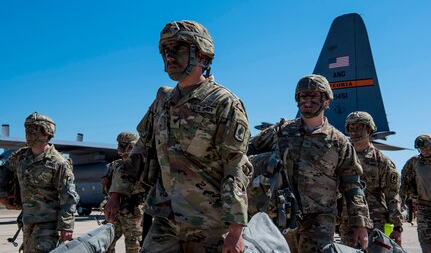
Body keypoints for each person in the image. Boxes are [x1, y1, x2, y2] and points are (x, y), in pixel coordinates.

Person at [104, 20, 253, 253]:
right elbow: (141, 150)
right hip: (165, 218)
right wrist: (116, 193)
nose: (170, 57)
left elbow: (235, 166)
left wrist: (236, 230)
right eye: (166, 50)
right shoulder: (162, 101)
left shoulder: (224, 103)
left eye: (179, 49)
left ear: (202, 55)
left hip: (209, 224)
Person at [248, 74, 372, 252]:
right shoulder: (280, 131)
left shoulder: (338, 142)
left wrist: (360, 224)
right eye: (303, 96)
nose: (307, 101)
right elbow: (246, 152)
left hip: (319, 221)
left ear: (326, 101)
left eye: (314, 96)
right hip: (281, 216)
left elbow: (352, 186)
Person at [0, 112, 79, 252]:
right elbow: (3, 170)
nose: (28, 135)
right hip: (27, 223)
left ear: (46, 132)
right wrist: (3, 195)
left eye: (32, 130)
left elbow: (69, 196)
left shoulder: (58, 163)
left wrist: (67, 226)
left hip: (48, 226)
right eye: (26, 130)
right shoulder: (21, 157)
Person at [339, 111, 403, 246]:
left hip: (374, 222)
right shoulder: (342, 157)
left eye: (358, 127)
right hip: (347, 221)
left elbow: (392, 196)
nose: (354, 131)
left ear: (369, 129)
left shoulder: (382, 161)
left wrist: (397, 228)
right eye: (351, 127)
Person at [101, 131, 144, 253]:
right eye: (118, 144)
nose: (119, 147)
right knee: (107, 241)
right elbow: (107, 192)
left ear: (132, 146)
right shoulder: (114, 165)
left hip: (132, 210)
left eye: (123, 144)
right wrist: (106, 183)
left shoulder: (141, 164)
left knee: (133, 245)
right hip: (115, 210)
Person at [400, 134, 431, 252]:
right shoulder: (415, 162)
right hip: (424, 206)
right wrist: (403, 197)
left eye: (426, 148)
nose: (424, 151)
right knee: (426, 242)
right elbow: (404, 177)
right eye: (421, 149)